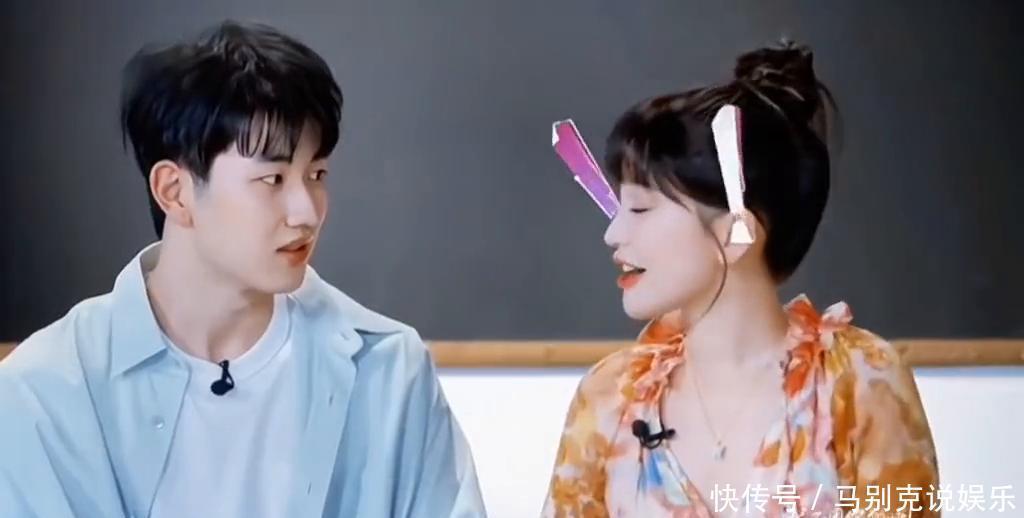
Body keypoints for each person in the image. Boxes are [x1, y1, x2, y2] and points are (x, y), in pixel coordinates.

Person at [0, 20, 485, 518]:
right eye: (272, 179)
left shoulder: (388, 372)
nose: (306, 212)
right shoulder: (43, 394)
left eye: (316, 174)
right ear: (174, 191)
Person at [542, 42, 940, 517]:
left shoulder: (857, 381)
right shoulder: (611, 394)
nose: (614, 234)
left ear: (737, 232)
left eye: (641, 209)